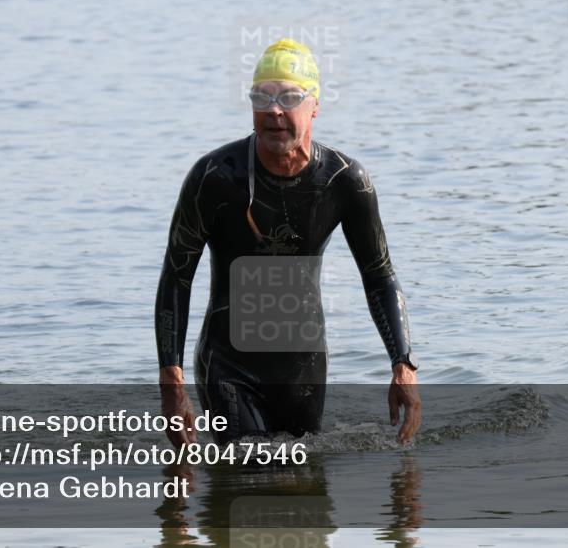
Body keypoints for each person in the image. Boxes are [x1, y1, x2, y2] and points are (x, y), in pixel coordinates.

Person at [155, 39, 420, 446]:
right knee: (257, 474)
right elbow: (176, 277)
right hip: (229, 365)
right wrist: (172, 380)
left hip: (304, 369)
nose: (274, 110)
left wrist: (403, 364)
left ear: (315, 105)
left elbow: (379, 275)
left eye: (289, 97)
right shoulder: (214, 178)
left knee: (304, 494)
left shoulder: (344, 181)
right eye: (262, 96)